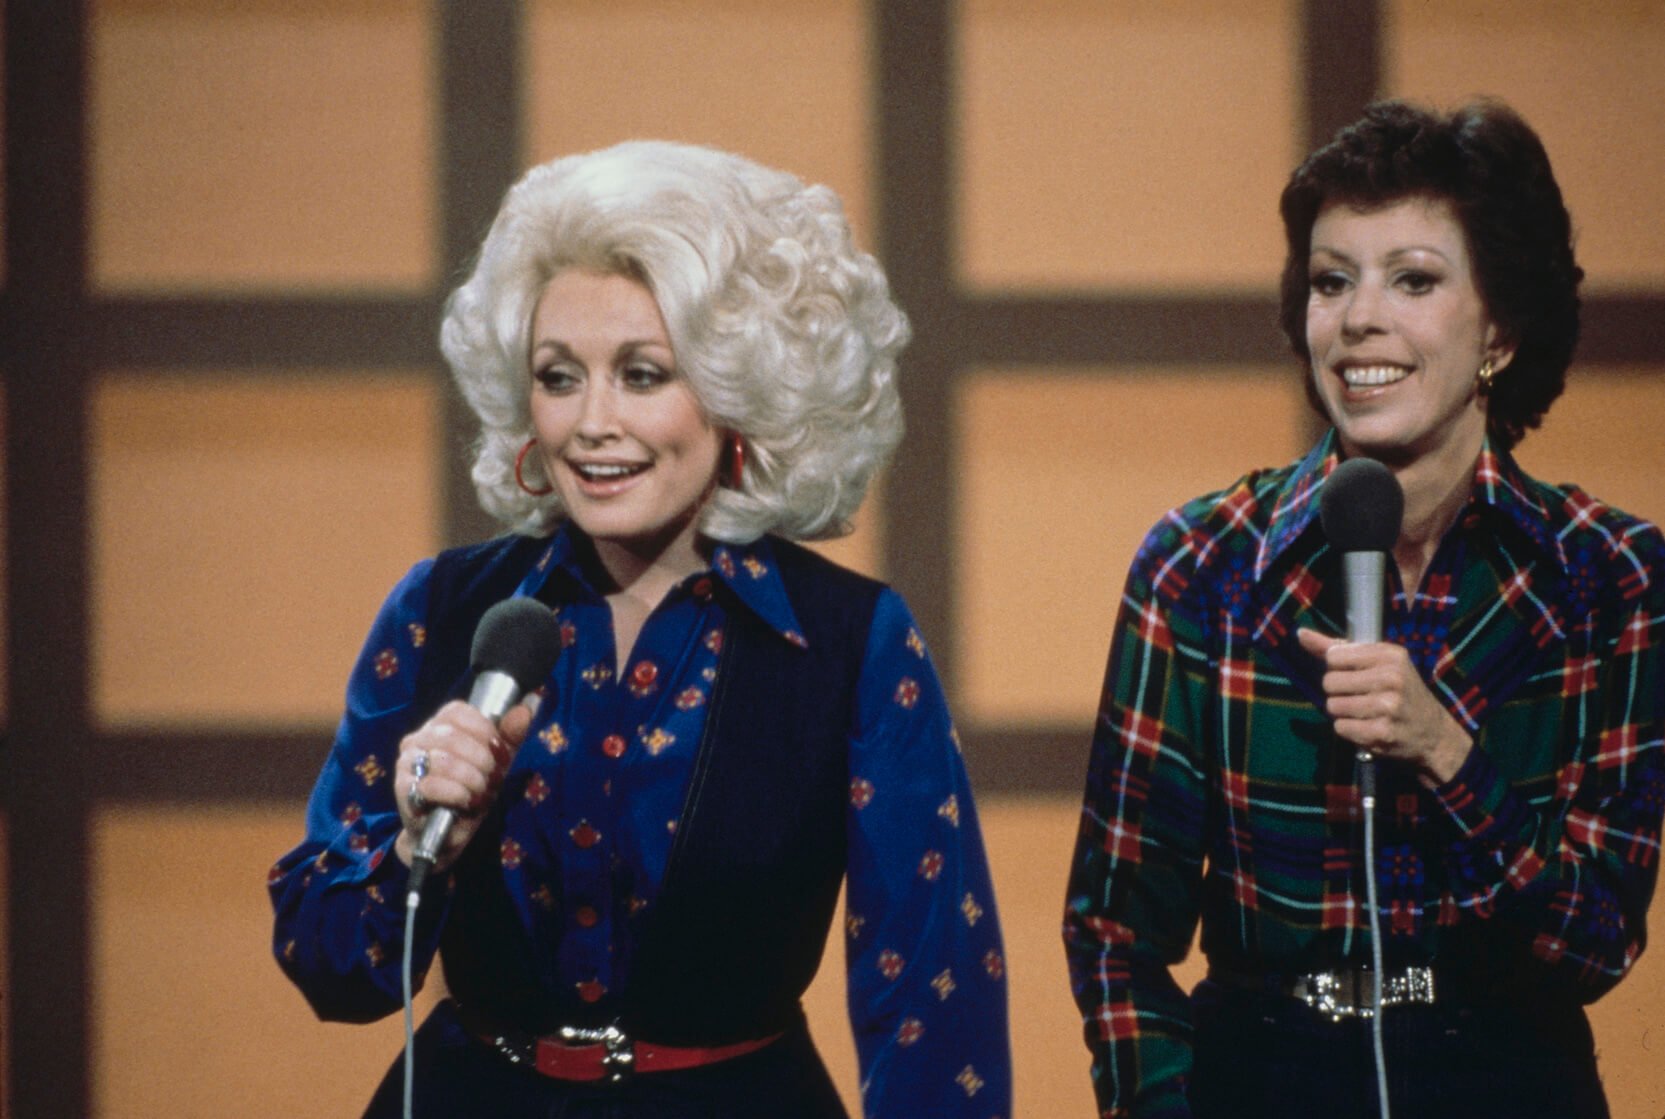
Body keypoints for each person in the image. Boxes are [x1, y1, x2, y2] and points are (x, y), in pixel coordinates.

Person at [269, 140, 1011, 1118]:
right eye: (560, 376)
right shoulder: (441, 610)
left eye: (644, 373)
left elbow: (932, 1003)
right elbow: (333, 969)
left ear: (740, 397)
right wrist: (419, 851)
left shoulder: (851, 643)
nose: (591, 423)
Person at [1063, 99, 1665, 1119]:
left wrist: (1446, 752)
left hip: (1510, 1077)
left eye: (1414, 280)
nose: (1359, 319)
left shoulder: (1608, 575)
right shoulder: (1203, 566)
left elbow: (1594, 941)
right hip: (1263, 1073)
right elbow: (1116, 934)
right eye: (1332, 281)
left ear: (1500, 327)